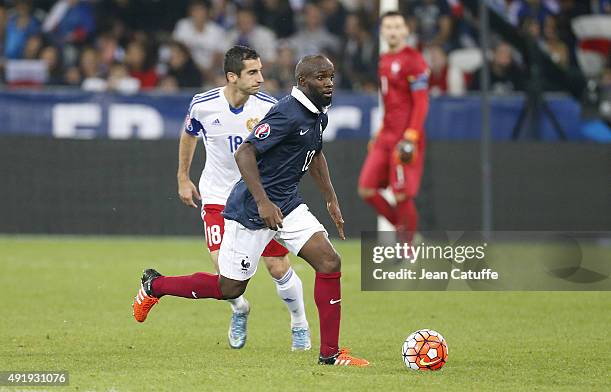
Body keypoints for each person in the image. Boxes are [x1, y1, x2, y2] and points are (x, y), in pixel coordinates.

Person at [132, 53, 369, 367]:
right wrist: (262, 202)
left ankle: (330, 353)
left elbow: (315, 151)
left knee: (328, 261)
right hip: (252, 209)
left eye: (331, 77)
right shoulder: (286, 112)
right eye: (321, 78)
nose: (329, 84)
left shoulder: (317, 113)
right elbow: (245, 152)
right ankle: (156, 285)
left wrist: (330, 197)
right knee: (229, 287)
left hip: (287, 204)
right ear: (302, 82)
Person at [358, 11, 430, 243]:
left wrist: (411, 135)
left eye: (398, 26)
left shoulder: (414, 60)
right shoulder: (384, 60)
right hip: (385, 136)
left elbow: (421, 102)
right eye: (388, 27)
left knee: (401, 194)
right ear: (382, 31)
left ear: (406, 31)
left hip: (405, 137)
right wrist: (380, 131)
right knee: (366, 189)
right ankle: (406, 231)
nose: (393, 31)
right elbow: (392, 104)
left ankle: (407, 246)